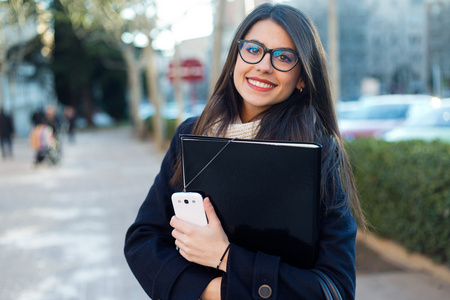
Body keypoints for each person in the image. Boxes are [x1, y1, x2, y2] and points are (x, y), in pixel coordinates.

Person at [124, 3, 365, 300]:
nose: (264, 65)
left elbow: (336, 289)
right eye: (253, 49)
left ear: (302, 78)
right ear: (235, 57)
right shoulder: (192, 134)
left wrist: (225, 257)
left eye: (284, 57)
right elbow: (142, 240)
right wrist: (207, 291)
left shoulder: (320, 153)